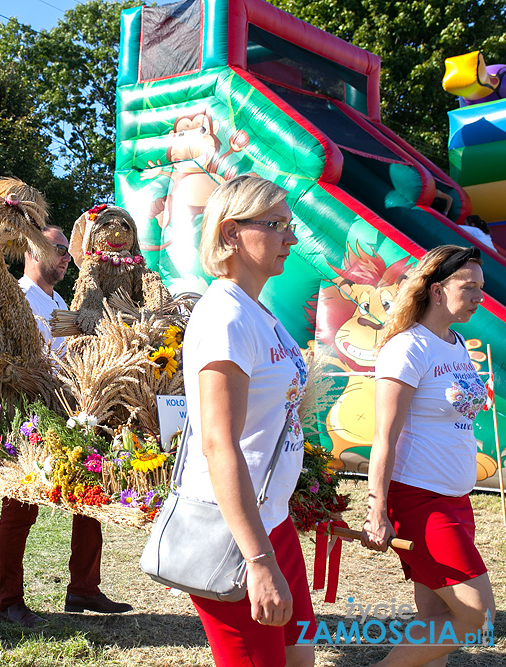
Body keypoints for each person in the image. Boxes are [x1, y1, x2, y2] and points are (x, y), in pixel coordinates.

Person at [178, 175, 315, 667]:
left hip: (271, 521)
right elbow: (219, 444)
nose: (291, 239)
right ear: (232, 232)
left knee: (299, 660)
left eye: (290, 226)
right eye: (277, 225)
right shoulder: (225, 318)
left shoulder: (257, 311)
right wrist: (258, 562)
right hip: (234, 537)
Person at [0, 226, 132, 628]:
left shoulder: (60, 301)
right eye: (58, 250)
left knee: (91, 498)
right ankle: (8, 600)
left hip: (70, 409)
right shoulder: (17, 297)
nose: (66, 258)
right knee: (19, 509)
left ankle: (84, 588)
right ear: (32, 251)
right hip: (29, 414)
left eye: (68, 253)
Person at [362, 245, 495, 665]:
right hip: (420, 501)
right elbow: (383, 437)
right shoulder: (407, 348)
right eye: (468, 286)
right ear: (437, 291)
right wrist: (376, 510)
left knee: (438, 616)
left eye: (481, 287)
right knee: (477, 616)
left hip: (457, 500)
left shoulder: (455, 345)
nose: (479, 296)